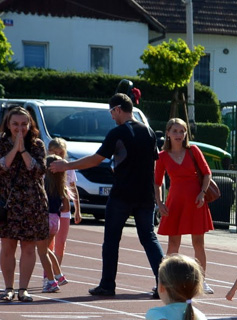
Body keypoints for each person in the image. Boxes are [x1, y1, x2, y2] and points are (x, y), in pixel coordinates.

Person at [50, 93, 164, 298]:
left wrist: (67, 166)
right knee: (148, 237)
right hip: (145, 194)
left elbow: (96, 160)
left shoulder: (118, 133)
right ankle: (164, 284)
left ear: (118, 109)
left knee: (111, 239)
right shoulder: (149, 132)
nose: (112, 117)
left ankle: (107, 285)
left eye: (112, 112)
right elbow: (153, 164)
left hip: (122, 194)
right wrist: (157, 195)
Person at [155, 118, 215, 294]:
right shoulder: (162, 156)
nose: (179, 135)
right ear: (167, 133)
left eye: (182, 131)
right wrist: (160, 203)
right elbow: (157, 182)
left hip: (196, 202)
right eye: (175, 131)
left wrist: (202, 193)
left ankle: (202, 281)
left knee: (199, 243)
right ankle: (166, 282)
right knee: (173, 244)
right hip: (175, 203)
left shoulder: (193, 151)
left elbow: (207, 173)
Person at [0, 106, 48, 303]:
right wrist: (14, 149)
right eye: (15, 124)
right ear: (8, 124)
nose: (20, 128)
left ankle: (23, 289)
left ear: (30, 124)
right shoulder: (1, 143)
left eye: (23, 124)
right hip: (8, 203)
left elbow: (37, 170)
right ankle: (8, 288)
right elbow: (2, 166)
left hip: (32, 202)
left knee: (29, 247)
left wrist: (24, 150)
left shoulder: (37, 144)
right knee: (7, 246)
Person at [47, 137, 81, 272]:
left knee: (60, 243)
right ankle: (48, 275)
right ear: (48, 152)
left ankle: (56, 273)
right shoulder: (45, 167)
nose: (58, 156)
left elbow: (73, 188)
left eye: (61, 153)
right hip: (50, 210)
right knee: (48, 244)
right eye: (54, 152)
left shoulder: (68, 167)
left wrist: (77, 209)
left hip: (65, 211)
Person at [37, 156, 68, 293]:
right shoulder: (61, 185)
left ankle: (51, 281)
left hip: (45, 219)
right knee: (47, 249)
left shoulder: (43, 183)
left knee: (42, 252)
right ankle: (59, 275)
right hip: (56, 219)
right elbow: (66, 207)